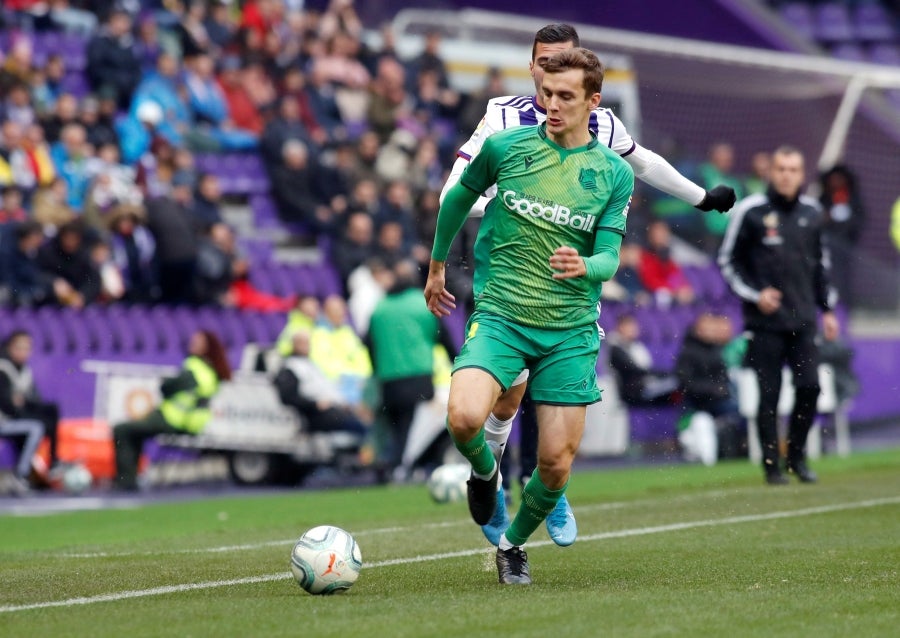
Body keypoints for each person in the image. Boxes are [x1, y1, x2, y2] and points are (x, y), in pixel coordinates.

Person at [439, 23, 737, 549]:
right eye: (543, 62)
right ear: (531, 66)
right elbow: (458, 184)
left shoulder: (600, 125)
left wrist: (699, 198)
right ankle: (495, 475)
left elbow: (641, 162)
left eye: (562, 61)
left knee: (552, 427)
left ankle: (547, 486)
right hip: (509, 274)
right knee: (505, 400)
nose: (550, 72)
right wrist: (495, 213)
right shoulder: (502, 118)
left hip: (567, 293)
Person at [425, 47, 634, 585]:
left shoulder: (612, 174)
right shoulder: (504, 147)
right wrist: (437, 265)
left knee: (555, 466)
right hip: (502, 315)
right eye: (546, 94)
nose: (552, 105)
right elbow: (454, 200)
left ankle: (512, 545)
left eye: (566, 96)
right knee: (464, 418)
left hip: (569, 330)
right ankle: (484, 473)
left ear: (594, 100)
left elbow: (609, 258)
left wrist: (585, 264)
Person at [718, 145, 840, 485]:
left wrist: (827, 309)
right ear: (771, 172)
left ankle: (797, 457)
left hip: (803, 321)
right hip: (765, 324)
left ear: (802, 175)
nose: (787, 175)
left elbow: (822, 267)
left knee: (811, 387)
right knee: (768, 394)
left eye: (794, 169)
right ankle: (772, 466)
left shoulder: (813, 214)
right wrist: (757, 295)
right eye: (781, 169)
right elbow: (728, 261)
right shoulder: (751, 211)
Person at [367, 260, 459, 483]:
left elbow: (369, 344)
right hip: (418, 378)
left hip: (388, 380)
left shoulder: (380, 309)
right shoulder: (421, 304)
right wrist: (458, 367)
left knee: (395, 428)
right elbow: (444, 339)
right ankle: (402, 468)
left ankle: (390, 466)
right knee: (413, 431)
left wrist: (379, 371)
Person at [112, 330, 232, 491]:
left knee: (122, 430)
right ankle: (130, 479)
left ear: (206, 347)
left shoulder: (194, 368)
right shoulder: (210, 372)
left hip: (174, 420)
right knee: (134, 431)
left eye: (197, 341)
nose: (192, 343)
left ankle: (126, 481)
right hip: (190, 423)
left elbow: (167, 388)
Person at [273, 330, 369, 437]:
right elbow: (288, 397)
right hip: (314, 414)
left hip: (334, 409)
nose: (305, 346)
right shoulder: (290, 367)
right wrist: (314, 405)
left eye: (307, 342)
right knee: (362, 428)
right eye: (301, 342)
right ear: (294, 344)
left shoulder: (310, 364)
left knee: (366, 421)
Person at [0, 329, 61, 487]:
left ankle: (54, 461)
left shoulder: (25, 371)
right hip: (4, 420)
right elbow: (7, 404)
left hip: (15, 418)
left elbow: (33, 400)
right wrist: (21, 403)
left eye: (27, 348)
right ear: (9, 348)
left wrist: (22, 402)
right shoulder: (3, 368)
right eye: (19, 348)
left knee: (51, 411)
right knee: (36, 428)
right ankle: (21, 473)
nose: (24, 352)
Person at [607, 314, 681, 408]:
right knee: (678, 384)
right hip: (632, 391)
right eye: (630, 327)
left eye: (634, 327)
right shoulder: (615, 348)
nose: (634, 330)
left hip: (643, 385)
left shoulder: (636, 346)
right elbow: (634, 369)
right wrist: (661, 374)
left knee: (679, 386)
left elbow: (645, 368)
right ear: (620, 327)